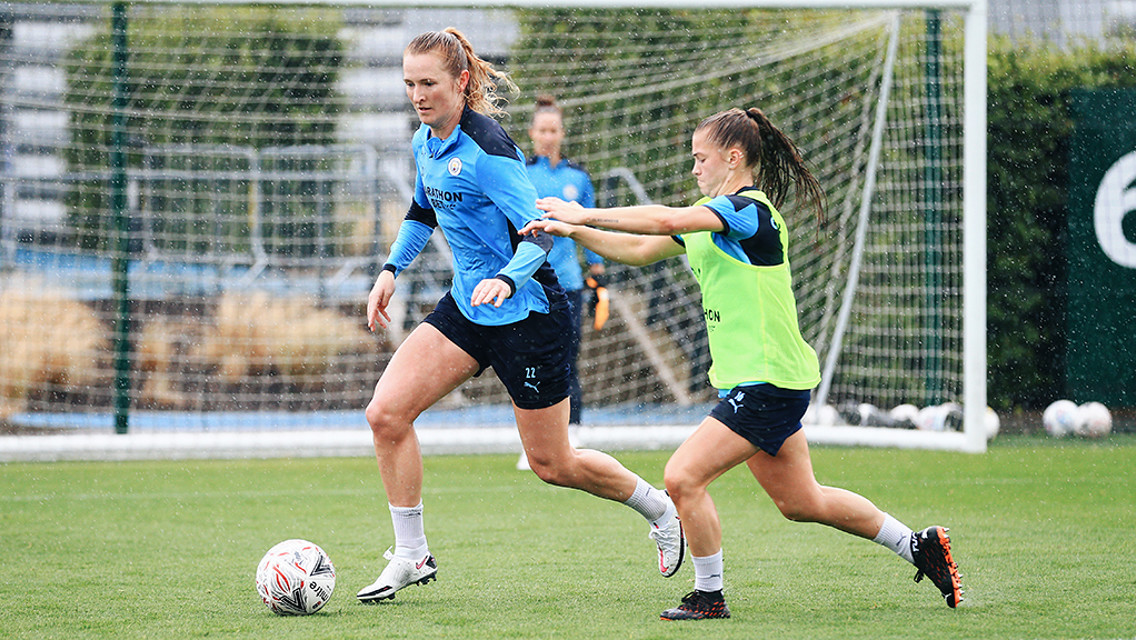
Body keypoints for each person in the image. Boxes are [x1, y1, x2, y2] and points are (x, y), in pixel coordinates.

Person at [522, 107, 964, 620]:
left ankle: (709, 595)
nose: (694, 169)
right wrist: (572, 231)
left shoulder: (748, 211)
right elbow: (640, 249)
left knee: (682, 477)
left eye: (699, 158)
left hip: (767, 380)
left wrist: (586, 213)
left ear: (733, 158)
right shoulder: (711, 220)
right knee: (803, 501)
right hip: (762, 381)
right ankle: (917, 545)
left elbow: (665, 217)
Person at [356, 28, 684, 605]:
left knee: (552, 464)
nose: (416, 94)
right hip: (467, 308)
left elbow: (540, 235)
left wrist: (506, 276)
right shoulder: (424, 143)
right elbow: (420, 211)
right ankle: (411, 554)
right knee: (385, 413)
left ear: (460, 82)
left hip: (529, 314)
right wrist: (389, 270)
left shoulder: (492, 152)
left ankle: (659, 508)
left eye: (428, 83)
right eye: (409, 83)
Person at [525, 94, 606, 426]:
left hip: (569, 283)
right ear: (532, 133)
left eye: (553, 130)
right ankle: (535, 434)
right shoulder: (522, 174)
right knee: (531, 360)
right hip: (529, 283)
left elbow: (590, 229)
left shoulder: (578, 178)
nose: (548, 136)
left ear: (561, 133)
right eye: (542, 130)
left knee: (568, 357)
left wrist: (598, 276)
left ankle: (572, 428)